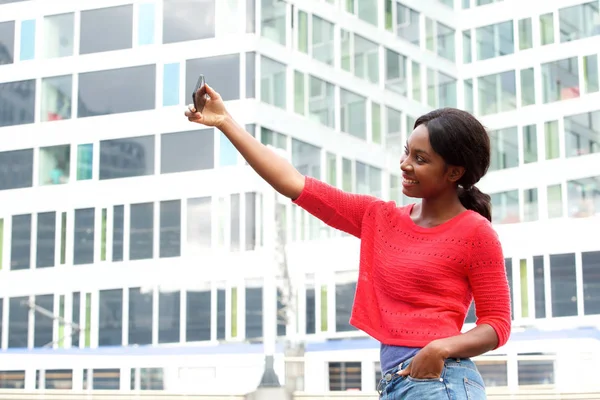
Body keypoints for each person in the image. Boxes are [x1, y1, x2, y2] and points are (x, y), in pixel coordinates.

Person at [184, 85, 511, 400]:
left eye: (421, 159)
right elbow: (293, 182)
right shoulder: (379, 218)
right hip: (396, 381)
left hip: (441, 380)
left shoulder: (475, 233)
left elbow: (496, 325)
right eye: (406, 152)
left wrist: (440, 348)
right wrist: (225, 122)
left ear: (454, 173)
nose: (405, 164)